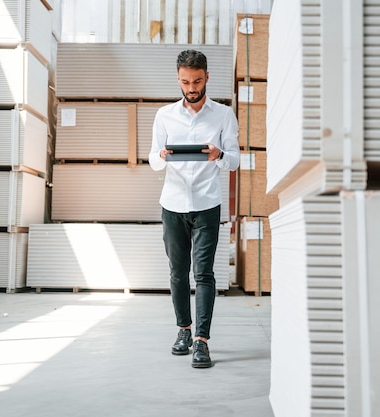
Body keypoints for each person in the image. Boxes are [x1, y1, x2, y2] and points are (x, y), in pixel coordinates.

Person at [149, 49, 240, 368]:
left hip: (206, 204)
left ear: (207, 78)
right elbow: (152, 161)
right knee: (177, 273)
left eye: (197, 81)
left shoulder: (224, 115)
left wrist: (218, 155)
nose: (191, 87)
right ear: (178, 79)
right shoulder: (164, 116)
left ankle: (202, 341)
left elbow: (235, 160)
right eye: (186, 81)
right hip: (172, 204)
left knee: (203, 273)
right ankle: (183, 331)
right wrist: (161, 155)